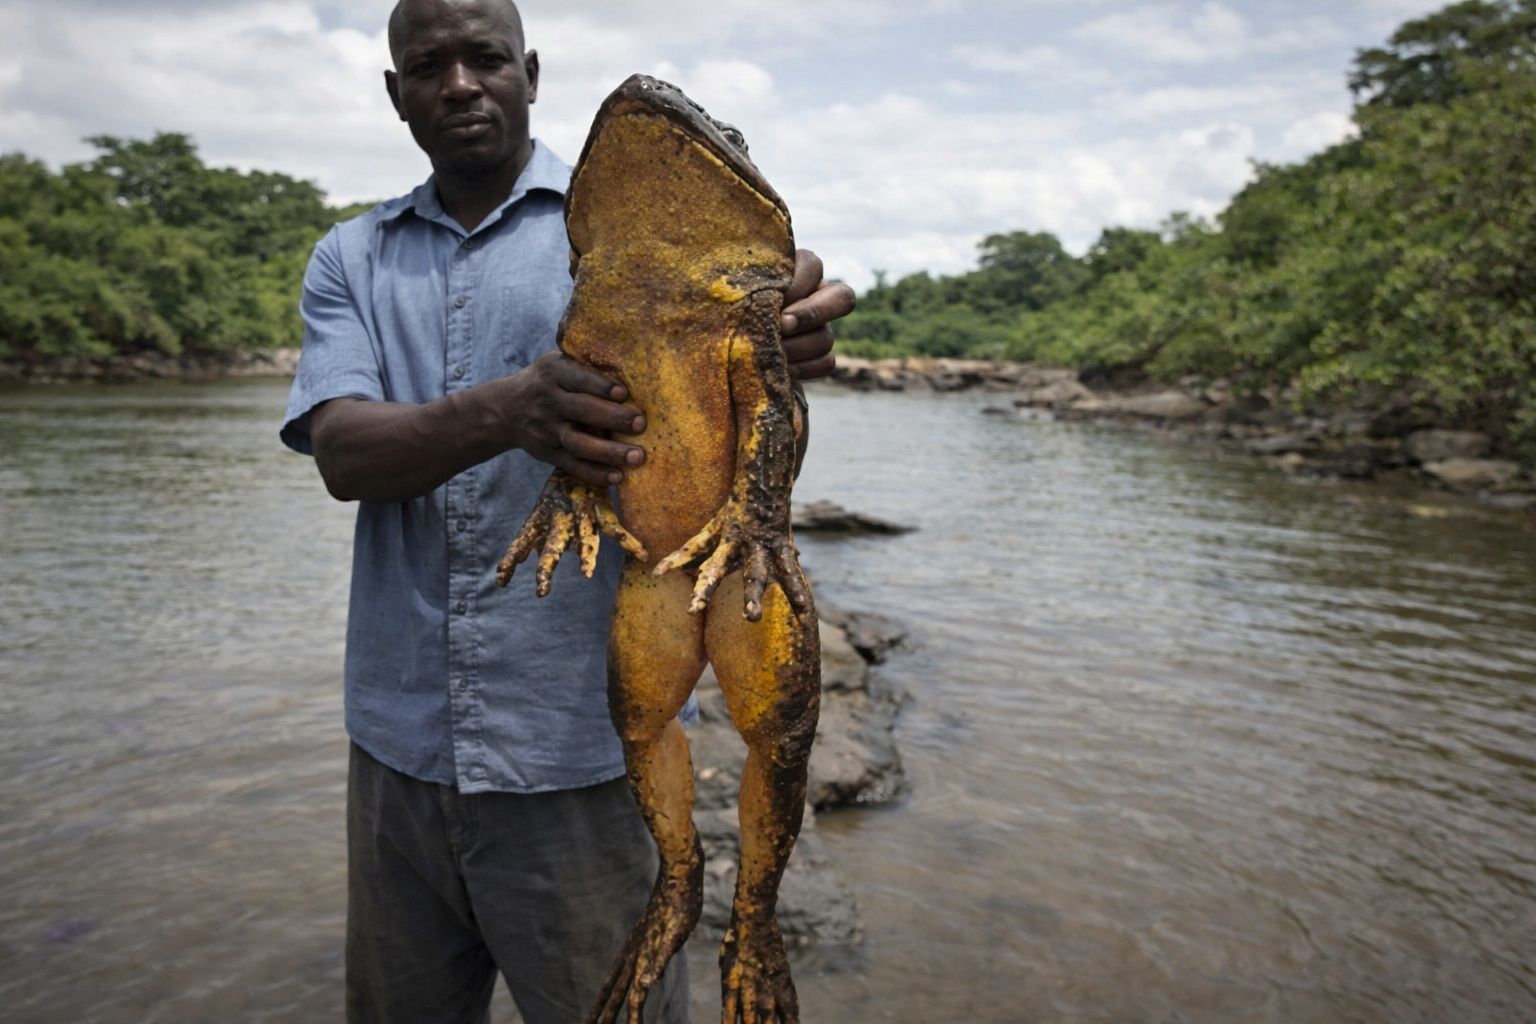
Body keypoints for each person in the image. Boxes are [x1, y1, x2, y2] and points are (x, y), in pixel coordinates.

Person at [278, 0, 855, 1021]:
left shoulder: (635, 222)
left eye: (485, 57)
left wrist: (788, 321)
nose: (459, 83)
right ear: (395, 92)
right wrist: (509, 408)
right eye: (429, 66)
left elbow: (767, 305)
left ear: (529, 72)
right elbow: (342, 453)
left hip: (577, 764)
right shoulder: (352, 257)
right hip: (400, 758)